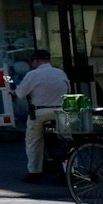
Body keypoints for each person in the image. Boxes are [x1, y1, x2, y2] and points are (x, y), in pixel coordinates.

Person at [13, 48, 70, 183]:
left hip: (40, 112)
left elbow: (20, 93)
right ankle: (71, 169)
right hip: (61, 111)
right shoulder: (60, 73)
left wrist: (13, 93)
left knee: (33, 141)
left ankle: (34, 172)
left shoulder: (33, 75)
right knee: (67, 140)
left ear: (36, 61)